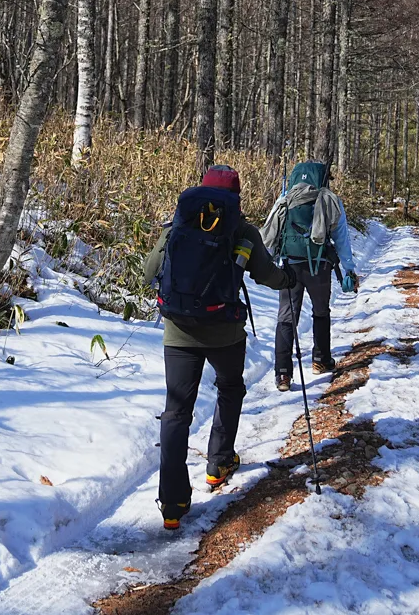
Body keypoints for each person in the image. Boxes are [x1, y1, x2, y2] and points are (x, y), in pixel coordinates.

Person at [142, 164, 287, 530]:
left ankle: (172, 503)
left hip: (178, 331)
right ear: (236, 196)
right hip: (225, 331)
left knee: (176, 412)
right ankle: (218, 463)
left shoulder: (178, 225)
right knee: (230, 387)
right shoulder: (242, 230)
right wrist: (290, 279)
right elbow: (267, 275)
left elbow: (147, 272)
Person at [261, 161, 359, 392]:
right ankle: (320, 360)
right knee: (321, 311)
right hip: (319, 266)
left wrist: (266, 264)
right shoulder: (330, 200)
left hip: (289, 266)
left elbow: (270, 232)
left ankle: (283, 374)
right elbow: (342, 239)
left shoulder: (285, 199)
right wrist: (349, 269)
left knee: (286, 317)